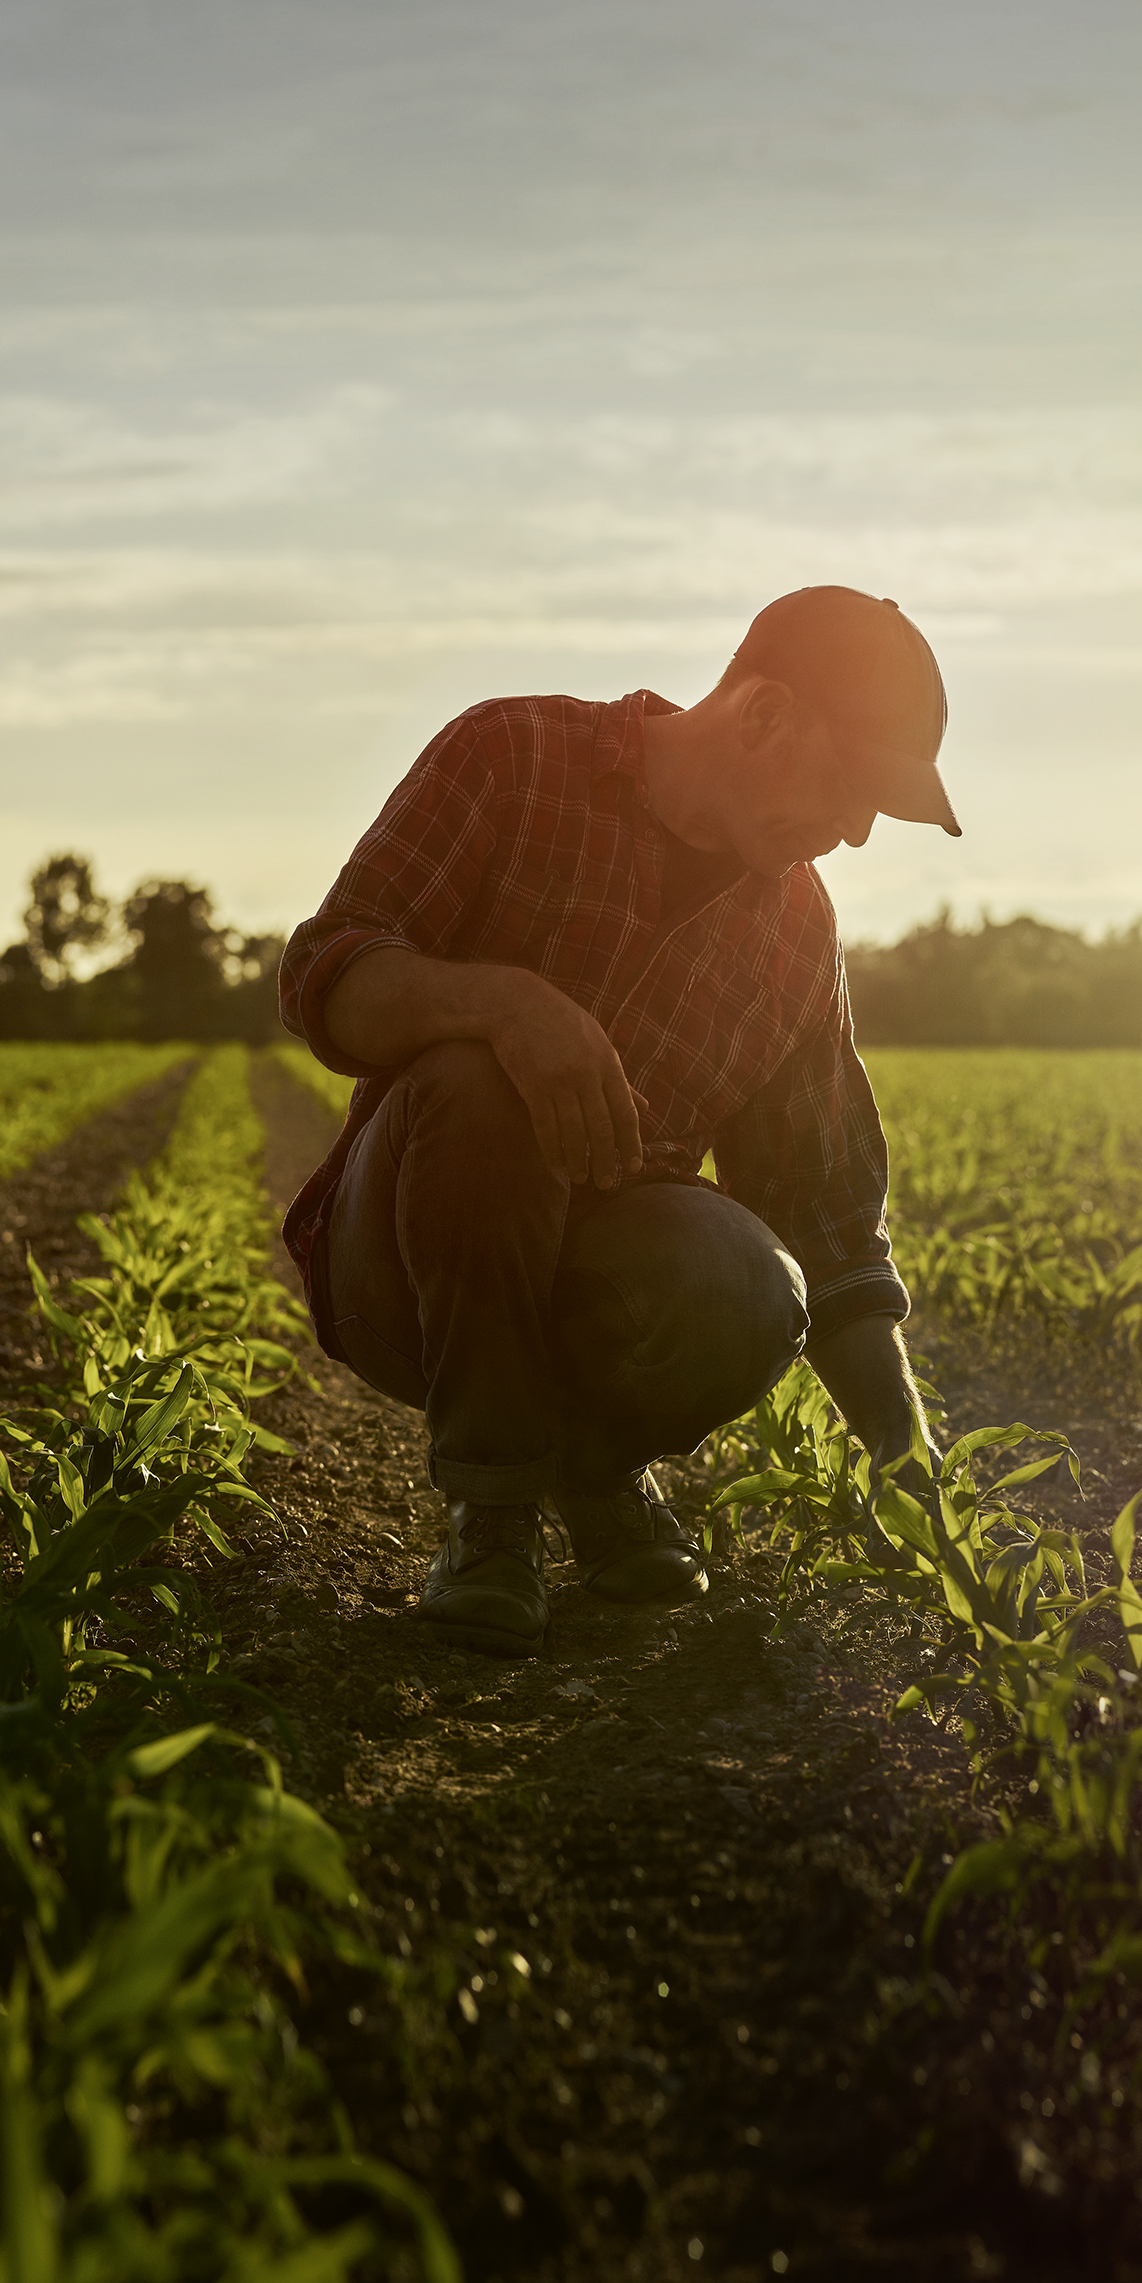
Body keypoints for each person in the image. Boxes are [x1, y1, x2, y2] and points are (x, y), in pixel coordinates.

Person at [275, 586, 955, 1647]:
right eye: (851, 785)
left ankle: (597, 1471)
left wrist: (913, 1472)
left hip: (602, 1288)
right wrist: (504, 1007)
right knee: (484, 1080)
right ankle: (492, 1514)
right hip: (399, 1268)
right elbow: (327, 973)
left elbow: (826, 1225)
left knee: (750, 1280)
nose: (859, 832)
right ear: (765, 714)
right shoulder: (512, 755)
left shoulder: (795, 932)